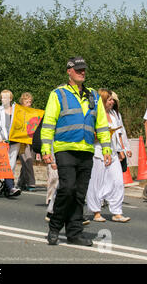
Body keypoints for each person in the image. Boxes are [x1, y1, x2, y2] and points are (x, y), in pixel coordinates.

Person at [41, 56, 112, 246]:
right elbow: (48, 124)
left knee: (80, 194)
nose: (82, 72)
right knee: (67, 188)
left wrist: (106, 149)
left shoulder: (94, 96)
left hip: (87, 150)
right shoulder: (58, 94)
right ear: (69, 71)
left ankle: (74, 233)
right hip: (65, 149)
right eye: (78, 69)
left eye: (84, 70)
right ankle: (55, 227)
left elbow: (102, 125)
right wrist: (46, 148)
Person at [86, 89, 131, 222]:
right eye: (109, 99)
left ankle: (117, 212)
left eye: (112, 99)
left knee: (118, 182)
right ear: (102, 100)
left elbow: (120, 132)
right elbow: (89, 133)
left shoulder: (115, 114)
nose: (112, 102)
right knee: (96, 183)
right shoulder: (94, 114)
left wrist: (123, 149)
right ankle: (96, 212)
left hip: (113, 152)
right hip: (98, 151)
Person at [0, 89, 21, 184]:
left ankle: (10, 182)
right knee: (3, 162)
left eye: (6, 97)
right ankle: (3, 181)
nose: (4, 99)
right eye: (2, 97)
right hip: (3, 140)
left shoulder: (17, 110)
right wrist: (0, 138)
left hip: (15, 140)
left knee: (12, 163)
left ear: (10, 98)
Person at [17, 92, 38, 191]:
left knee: (27, 162)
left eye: (30, 101)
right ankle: (31, 183)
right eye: (26, 101)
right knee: (27, 160)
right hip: (21, 141)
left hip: (31, 140)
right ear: (22, 101)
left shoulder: (33, 112)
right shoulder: (18, 111)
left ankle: (21, 182)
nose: (29, 103)